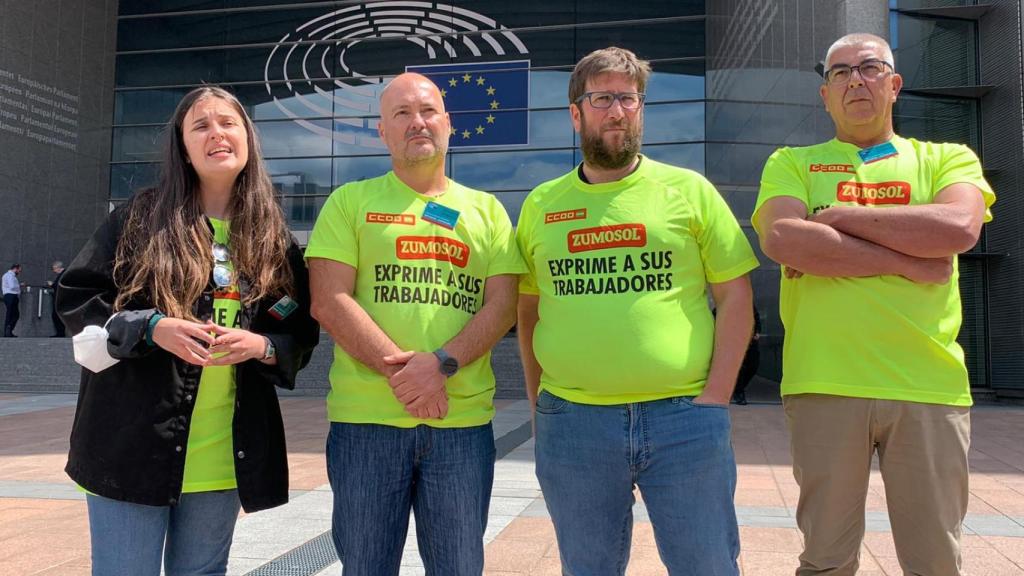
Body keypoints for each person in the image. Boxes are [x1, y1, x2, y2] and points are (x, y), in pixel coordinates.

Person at [754, 33, 994, 576]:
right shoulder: (792, 161)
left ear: (894, 85)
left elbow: (958, 226)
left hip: (928, 385)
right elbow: (785, 241)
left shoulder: (945, 158)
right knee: (826, 562)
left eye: (868, 68)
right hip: (824, 382)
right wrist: (912, 260)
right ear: (824, 94)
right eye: (839, 73)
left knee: (935, 561)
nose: (854, 80)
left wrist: (839, 217)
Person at [57, 86, 320, 576]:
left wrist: (262, 345)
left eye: (228, 123)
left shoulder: (270, 236)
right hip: (129, 446)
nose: (216, 133)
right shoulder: (140, 218)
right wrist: (150, 326)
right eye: (200, 125)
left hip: (222, 456)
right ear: (182, 145)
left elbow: (300, 330)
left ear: (248, 138)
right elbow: (76, 296)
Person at [516, 47, 758, 575]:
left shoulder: (689, 191)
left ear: (642, 108)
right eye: (601, 98)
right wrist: (541, 406)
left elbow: (736, 296)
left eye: (628, 98)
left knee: (708, 565)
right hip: (575, 424)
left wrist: (716, 396)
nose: (617, 111)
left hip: (685, 422)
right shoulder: (540, 204)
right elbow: (528, 311)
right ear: (575, 113)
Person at [305, 72, 524, 575]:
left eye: (427, 111)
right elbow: (329, 300)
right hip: (367, 426)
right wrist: (410, 379)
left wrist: (441, 364)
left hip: (461, 426)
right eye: (401, 114)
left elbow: (503, 306)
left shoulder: (487, 211)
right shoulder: (349, 202)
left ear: (448, 124)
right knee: (365, 567)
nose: (416, 122)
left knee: (459, 567)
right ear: (382, 131)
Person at [732, 303, 761, 405]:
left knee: (753, 366)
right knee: (741, 369)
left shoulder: (749, 304)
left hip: (750, 341)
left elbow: (756, 317)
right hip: (734, 342)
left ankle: (736, 388)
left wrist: (757, 331)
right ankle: (739, 393)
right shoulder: (725, 304)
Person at [2, 263, 21, 337]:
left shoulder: (10, 275)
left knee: (12, 314)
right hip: (11, 296)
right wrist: (19, 285)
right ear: (15, 268)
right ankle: (8, 330)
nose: (19, 272)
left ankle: (8, 331)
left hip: (10, 296)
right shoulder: (10, 275)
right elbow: (12, 286)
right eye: (19, 270)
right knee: (13, 314)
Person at [49, 260, 66, 337]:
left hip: (60, 298)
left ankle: (60, 333)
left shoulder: (63, 274)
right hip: (60, 298)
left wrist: (52, 284)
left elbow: (59, 285)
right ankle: (60, 332)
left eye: (54, 269)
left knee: (56, 316)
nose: (54, 271)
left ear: (57, 267)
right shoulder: (63, 274)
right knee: (56, 315)